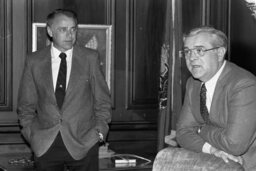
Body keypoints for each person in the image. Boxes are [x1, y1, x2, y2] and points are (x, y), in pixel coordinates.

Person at [17, 9, 112, 171]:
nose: (70, 34)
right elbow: (26, 107)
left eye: (73, 29)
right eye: (63, 29)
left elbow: (103, 102)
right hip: (45, 145)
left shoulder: (90, 58)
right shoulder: (34, 61)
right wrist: (32, 136)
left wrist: (99, 133)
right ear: (50, 31)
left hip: (84, 144)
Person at [174, 26, 256, 170]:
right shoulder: (193, 83)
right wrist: (212, 150)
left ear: (219, 53)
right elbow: (182, 133)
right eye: (187, 51)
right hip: (212, 163)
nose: (191, 58)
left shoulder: (244, 84)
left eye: (199, 50)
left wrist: (200, 129)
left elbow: (234, 145)